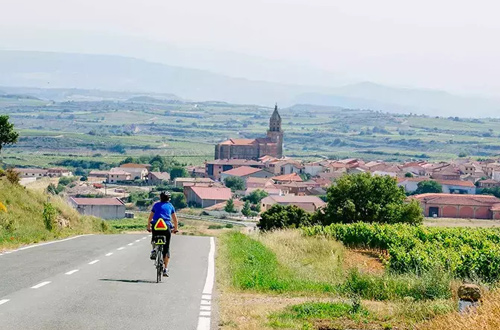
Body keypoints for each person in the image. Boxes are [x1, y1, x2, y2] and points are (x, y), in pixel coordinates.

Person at [147, 191, 179, 277]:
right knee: (166, 247)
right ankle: (165, 269)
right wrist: (175, 229)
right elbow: (175, 220)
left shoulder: (156, 205)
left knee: (154, 238)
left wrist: (148, 227)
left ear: (160, 198)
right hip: (166, 227)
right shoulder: (170, 206)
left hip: (156, 226)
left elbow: (150, 217)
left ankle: (154, 250)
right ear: (169, 198)